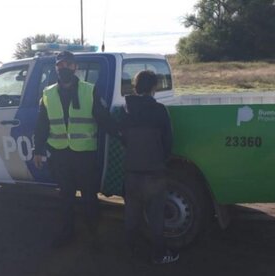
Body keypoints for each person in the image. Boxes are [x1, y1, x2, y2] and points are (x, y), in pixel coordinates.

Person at [33, 50, 117, 249]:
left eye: (68, 65)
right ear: (56, 68)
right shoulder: (48, 93)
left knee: (89, 196)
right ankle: (67, 233)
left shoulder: (89, 90)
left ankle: (94, 235)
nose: (65, 68)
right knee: (66, 196)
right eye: (61, 65)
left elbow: (102, 117)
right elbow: (42, 125)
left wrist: (121, 135)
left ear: (75, 67)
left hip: (84, 154)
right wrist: (38, 149)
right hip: (60, 154)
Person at [121, 70, 178, 264]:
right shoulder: (160, 110)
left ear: (135, 88)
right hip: (154, 172)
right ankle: (160, 254)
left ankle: (129, 252)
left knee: (132, 214)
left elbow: (123, 138)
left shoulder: (126, 109)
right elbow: (168, 141)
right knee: (155, 216)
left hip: (131, 171)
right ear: (154, 88)